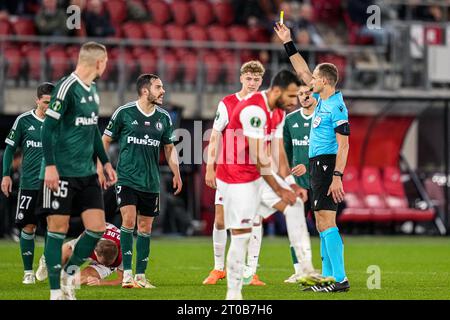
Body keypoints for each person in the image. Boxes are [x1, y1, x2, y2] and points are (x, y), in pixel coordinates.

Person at [218, 69, 324, 300]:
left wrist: (290, 184)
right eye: (291, 96)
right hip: (236, 177)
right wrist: (279, 189)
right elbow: (259, 156)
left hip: (257, 174)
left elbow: (277, 152)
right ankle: (233, 295)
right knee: (241, 235)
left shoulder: (279, 112)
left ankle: (305, 269)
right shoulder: (254, 110)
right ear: (276, 90)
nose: (294, 101)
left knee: (295, 203)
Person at [275, 22, 351, 292]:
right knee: (320, 221)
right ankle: (328, 278)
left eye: (316, 78)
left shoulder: (336, 108)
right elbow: (302, 69)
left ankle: (339, 279)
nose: (311, 80)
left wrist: (337, 177)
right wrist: (288, 42)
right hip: (318, 166)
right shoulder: (323, 100)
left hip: (327, 165)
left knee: (326, 221)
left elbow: (344, 146)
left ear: (325, 82)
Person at [38, 41, 117, 300]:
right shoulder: (66, 88)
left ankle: (69, 272)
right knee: (57, 230)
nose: (106, 66)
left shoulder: (93, 89)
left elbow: (92, 129)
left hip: (87, 173)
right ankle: (55, 292)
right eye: (105, 61)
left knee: (95, 229)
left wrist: (104, 162)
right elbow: (46, 128)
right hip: (61, 172)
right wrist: (50, 166)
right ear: (97, 62)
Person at [102, 74, 182, 289]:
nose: (163, 91)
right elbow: (106, 139)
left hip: (151, 181)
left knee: (145, 227)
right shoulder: (124, 112)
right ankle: (126, 274)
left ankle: (140, 276)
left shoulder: (164, 117)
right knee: (128, 221)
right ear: (146, 91)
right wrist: (104, 166)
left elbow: (169, 147)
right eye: (158, 87)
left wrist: (177, 173)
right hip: (126, 178)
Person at [203, 61, 266, 287]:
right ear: (241, 78)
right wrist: (210, 166)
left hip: (254, 174)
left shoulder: (264, 106)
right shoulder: (227, 103)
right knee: (221, 219)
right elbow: (215, 136)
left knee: (255, 220)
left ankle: (251, 271)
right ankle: (219, 268)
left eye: (256, 80)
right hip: (228, 172)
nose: (252, 83)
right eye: (248, 79)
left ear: (261, 80)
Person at [1, 82, 54, 285]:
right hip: (29, 184)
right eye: (46, 102)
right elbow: (9, 149)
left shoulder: (59, 122)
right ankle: (27, 272)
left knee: (53, 226)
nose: (49, 107)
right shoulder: (23, 121)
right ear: (37, 100)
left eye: (53, 102)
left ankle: (47, 260)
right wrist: (6, 175)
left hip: (51, 185)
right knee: (28, 227)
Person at [35, 223, 123, 286]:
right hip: (91, 242)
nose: (104, 264)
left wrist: (100, 282)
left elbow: (122, 280)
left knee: (76, 280)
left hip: (104, 245)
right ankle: (46, 260)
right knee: (64, 252)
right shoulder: (88, 240)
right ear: (95, 252)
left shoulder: (124, 251)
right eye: (103, 262)